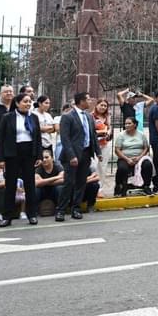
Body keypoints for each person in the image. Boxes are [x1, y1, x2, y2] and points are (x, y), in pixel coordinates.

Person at [0, 93, 40, 226]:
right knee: (10, 185)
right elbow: (0, 139)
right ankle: (7, 216)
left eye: (29, 102)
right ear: (17, 103)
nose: (28, 104)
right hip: (12, 153)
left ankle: (32, 214)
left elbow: (37, 137)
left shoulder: (34, 117)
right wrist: (0, 158)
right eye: (25, 101)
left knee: (30, 184)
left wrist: (39, 155)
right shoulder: (7, 117)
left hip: (29, 153)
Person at [57, 92, 101, 221]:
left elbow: (93, 135)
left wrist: (97, 152)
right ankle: (61, 209)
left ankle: (76, 208)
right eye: (88, 99)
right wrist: (71, 156)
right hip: (72, 156)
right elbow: (65, 138)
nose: (91, 101)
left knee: (81, 183)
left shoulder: (89, 116)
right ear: (81, 101)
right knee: (69, 182)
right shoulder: (67, 117)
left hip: (86, 153)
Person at [113, 116, 154, 197]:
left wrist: (139, 157)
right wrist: (127, 159)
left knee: (147, 164)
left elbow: (146, 148)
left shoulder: (141, 135)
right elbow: (117, 150)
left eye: (129, 123)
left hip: (139, 158)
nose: (127, 125)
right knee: (122, 168)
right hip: (125, 158)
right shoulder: (121, 135)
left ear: (135, 125)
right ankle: (119, 186)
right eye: (125, 124)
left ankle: (146, 186)